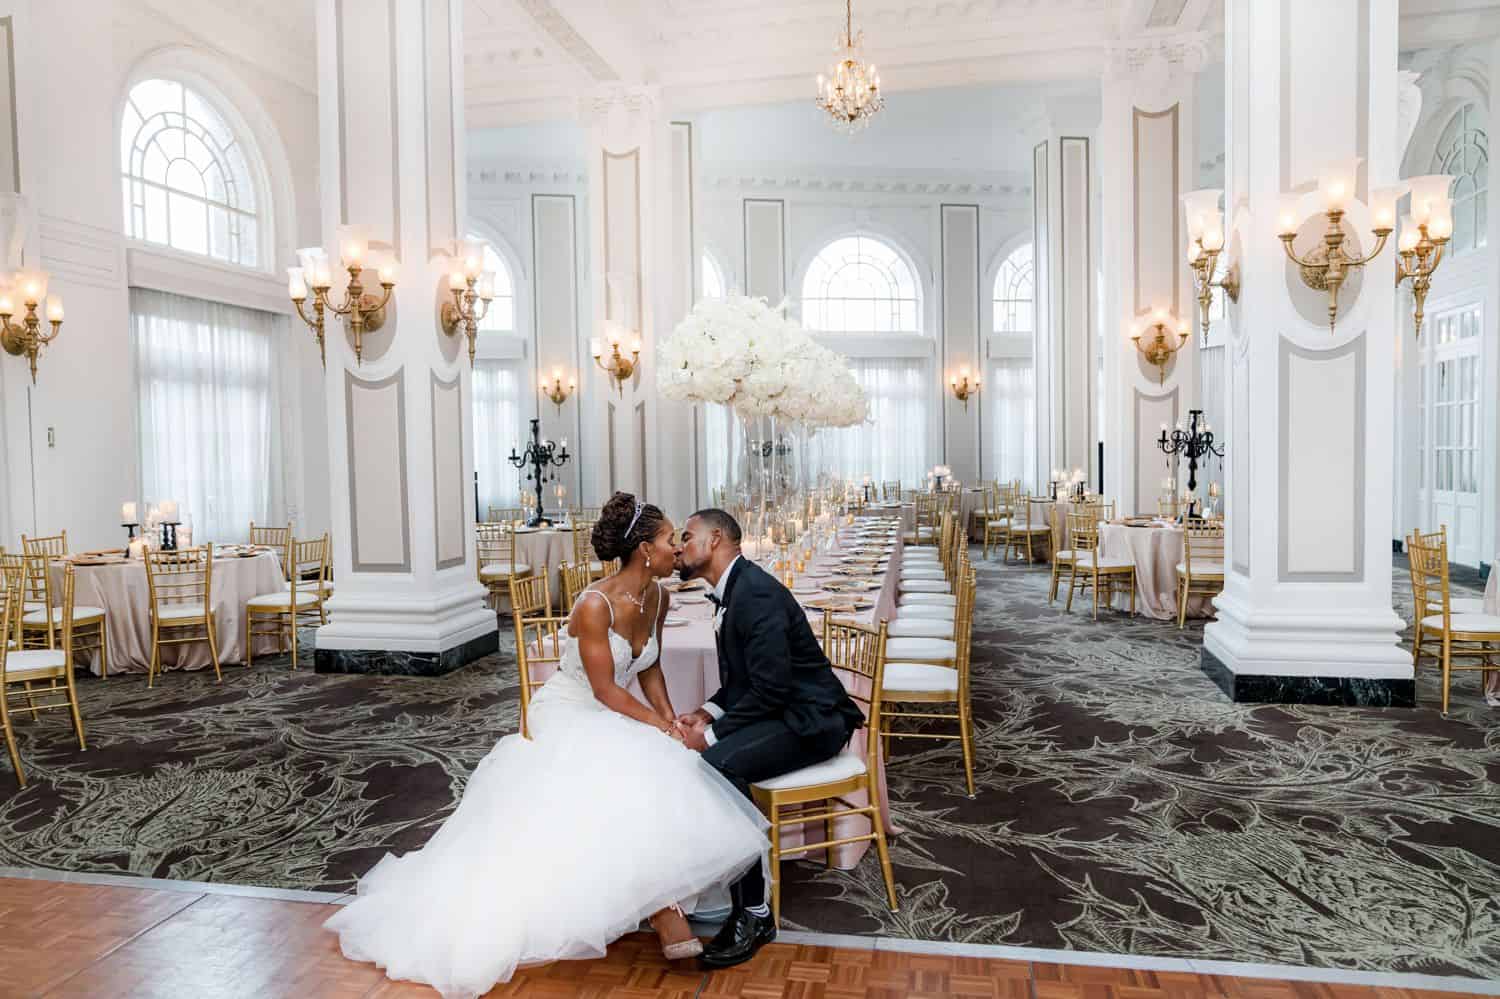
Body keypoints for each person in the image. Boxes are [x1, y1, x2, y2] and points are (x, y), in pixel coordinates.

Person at [325, 493, 769, 999]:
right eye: (672, 540)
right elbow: (604, 691)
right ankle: (663, 907)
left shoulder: (659, 598)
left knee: (670, 762)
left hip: (619, 709)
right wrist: (659, 728)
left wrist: (669, 720)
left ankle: (655, 897)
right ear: (646, 550)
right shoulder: (593, 606)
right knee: (624, 769)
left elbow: (649, 668)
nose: (680, 549)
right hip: (573, 711)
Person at [673, 507, 865, 968]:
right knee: (712, 760)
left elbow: (771, 689)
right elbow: (746, 682)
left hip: (815, 721)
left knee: (720, 765)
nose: (679, 547)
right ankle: (738, 889)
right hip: (786, 710)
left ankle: (755, 913)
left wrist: (711, 735)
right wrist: (707, 711)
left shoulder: (754, 594)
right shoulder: (734, 590)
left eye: (686, 536)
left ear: (715, 539)